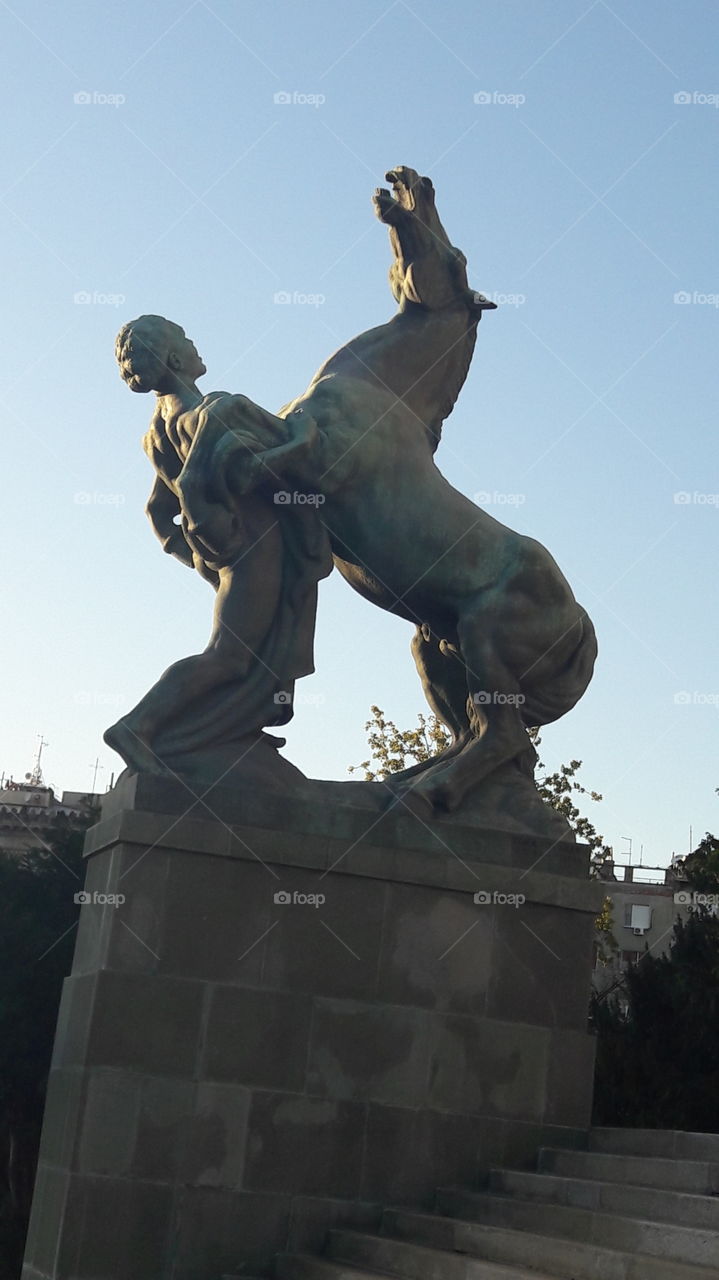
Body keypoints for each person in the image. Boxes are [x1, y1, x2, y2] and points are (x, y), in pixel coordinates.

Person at [105, 315, 332, 778]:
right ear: (173, 356)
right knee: (228, 655)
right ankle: (136, 727)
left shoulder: (157, 434)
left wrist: (198, 555)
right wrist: (305, 433)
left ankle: (231, 729)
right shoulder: (216, 410)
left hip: (234, 554)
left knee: (249, 652)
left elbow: (157, 511)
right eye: (186, 339)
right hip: (258, 544)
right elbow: (278, 456)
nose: (195, 344)